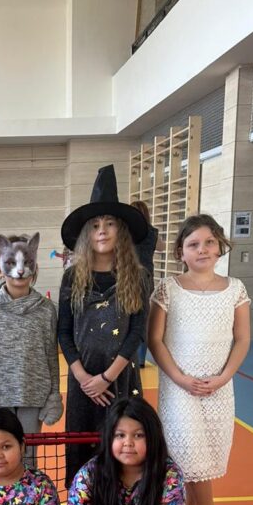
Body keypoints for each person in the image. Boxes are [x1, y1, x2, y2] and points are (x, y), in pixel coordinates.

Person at [148, 214, 251, 505]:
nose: (202, 249)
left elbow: (242, 339)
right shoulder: (168, 289)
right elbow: (155, 340)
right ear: (181, 251)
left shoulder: (235, 289)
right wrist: (179, 377)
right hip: (179, 387)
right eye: (193, 244)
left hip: (218, 386)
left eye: (209, 242)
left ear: (220, 246)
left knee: (204, 457)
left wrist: (223, 377)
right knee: (189, 454)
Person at [58, 164, 149, 484]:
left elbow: (136, 331)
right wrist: (85, 378)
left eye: (110, 223)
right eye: (95, 225)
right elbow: (63, 332)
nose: (102, 230)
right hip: (82, 382)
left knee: (122, 447)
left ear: (120, 230)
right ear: (86, 233)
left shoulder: (137, 276)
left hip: (120, 379)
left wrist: (107, 377)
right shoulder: (72, 277)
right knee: (83, 449)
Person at [0, 233, 62, 455]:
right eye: (11, 263)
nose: (20, 271)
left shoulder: (47, 310)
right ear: (0, 268)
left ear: (34, 266)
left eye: (27, 263)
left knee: (28, 457)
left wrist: (54, 395)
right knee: (1, 457)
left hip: (34, 394)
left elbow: (51, 355)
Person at [131, 200, 166, 368]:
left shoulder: (126, 231)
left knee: (127, 316)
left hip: (128, 277)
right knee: (143, 319)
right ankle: (140, 359)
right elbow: (162, 247)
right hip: (146, 278)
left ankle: (127, 356)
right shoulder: (151, 232)